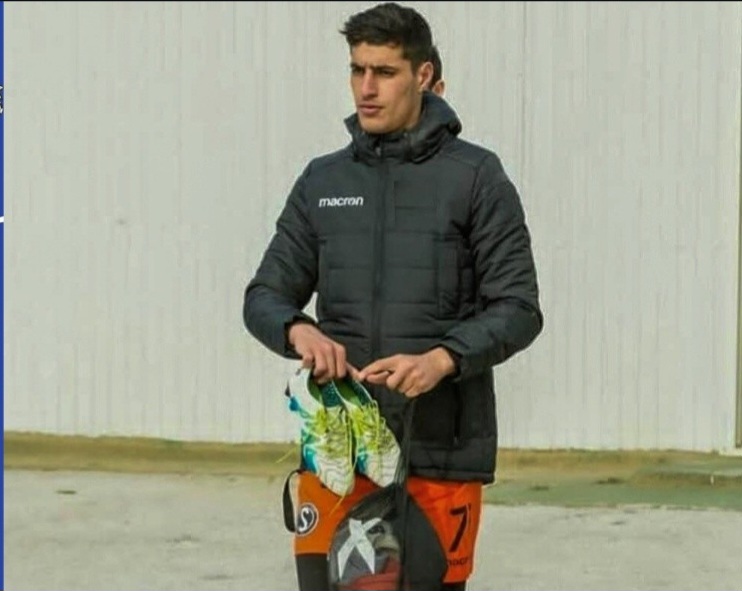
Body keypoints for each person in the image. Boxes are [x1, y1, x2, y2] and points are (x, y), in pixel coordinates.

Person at [242, 3, 543, 590]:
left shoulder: (476, 178)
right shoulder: (323, 181)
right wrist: (298, 330)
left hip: (439, 455)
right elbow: (265, 295)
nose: (366, 88)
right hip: (337, 456)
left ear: (423, 75)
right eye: (357, 70)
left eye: (384, 72)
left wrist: (442, 360)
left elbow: (519, 307)